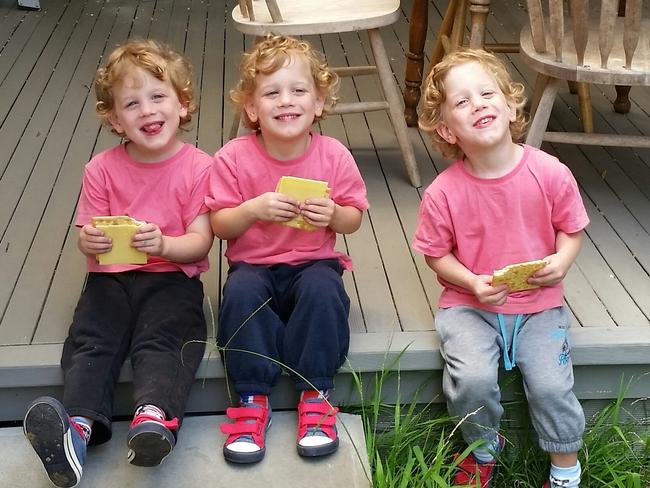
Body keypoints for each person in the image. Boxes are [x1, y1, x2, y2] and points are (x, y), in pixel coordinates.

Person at [23, 39, 213, 488]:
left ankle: (154, 420)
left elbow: (201, 243)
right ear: (114, 118)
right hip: (110, 281)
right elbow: (87, 239)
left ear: (183, 105)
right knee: (92, 341)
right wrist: (89, 240)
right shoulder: (100, 169)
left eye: (158, 97)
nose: (147, 111)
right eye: (132, 103)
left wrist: (164, 245)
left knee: (164, 339)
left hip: (170, 279)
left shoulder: (199, 167)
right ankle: (77, 430)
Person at [413, 49, 588, 488]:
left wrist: (561, 261)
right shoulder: (443, 192)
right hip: (470, 307)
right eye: (462, 101)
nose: (478, 104)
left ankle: (566, 467)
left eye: (487, 93)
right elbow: (436, 253)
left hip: (540, 306)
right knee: (470, 379)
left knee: (551, 385)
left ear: (511, 106)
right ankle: (480, 452)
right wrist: (471, 281)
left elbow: (572, 229)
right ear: (446, 130)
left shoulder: (549, 172)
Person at [206, 34, 368, 464]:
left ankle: (316, 394)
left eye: (298, 91)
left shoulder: (333, 154)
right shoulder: (233, 157)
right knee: (240, 294)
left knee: (322, 290)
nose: (286, 101)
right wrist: (253, 209)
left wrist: (333, 213)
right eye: (271, 92)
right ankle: (250, 399)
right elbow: (221, 225)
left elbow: (354, 217)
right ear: (252, 108)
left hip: (312, 263)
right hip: (254, 266)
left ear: (318, 103)